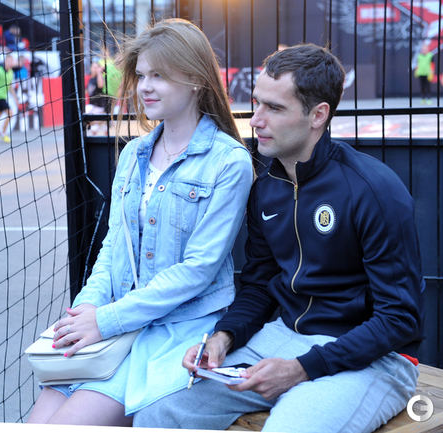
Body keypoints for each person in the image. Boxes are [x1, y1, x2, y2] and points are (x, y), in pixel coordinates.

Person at [133, 43, 426, 433]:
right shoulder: (266, 189)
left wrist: (302, 369)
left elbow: (399, 319)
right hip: (285, 338)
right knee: (157, 414)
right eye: (256, 103)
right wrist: (222, 337)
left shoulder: (374, 189)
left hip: (373, 357)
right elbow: (259, 285)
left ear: (318, 115)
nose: (255, 120)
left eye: (274, 108)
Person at [26, 18, 253, 426]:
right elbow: (114, 246)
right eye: (142, 75)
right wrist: (86, 309)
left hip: (175, 330)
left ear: (196, 79)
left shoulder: (229, 161)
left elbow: (198, 270)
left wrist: (107, 320)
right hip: (113, 324)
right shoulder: (133, 155)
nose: (144, 86)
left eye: (159, 76)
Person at [85, 58, 107, 135]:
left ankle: (103, 120)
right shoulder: (91, 79)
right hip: (92, 105)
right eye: (93, 67)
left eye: (96, 67)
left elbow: (101, 85)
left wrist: (99, 72)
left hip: (99, 106)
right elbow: (87, 91)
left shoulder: (99, 78)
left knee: (88, 119)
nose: (95, 69)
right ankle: (103, 120)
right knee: (92, 125)